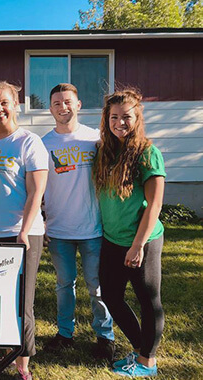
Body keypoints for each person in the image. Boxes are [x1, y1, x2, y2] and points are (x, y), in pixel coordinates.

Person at [0, 81, 48, 380]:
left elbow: (36, 192)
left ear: (16, 105)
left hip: (21, 234)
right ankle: (2, 348)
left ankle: (22, 364)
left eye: (4, 102)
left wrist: (24, 232)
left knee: (21, 302)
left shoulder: (29, 142)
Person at [93, 88, 165, 377]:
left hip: (142, 240)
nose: (119, 122)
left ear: (137, 118)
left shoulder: (148, 152)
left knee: (148, 300)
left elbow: (155, 204)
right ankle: (141, 348)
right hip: (112, 239)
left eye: (126, 117)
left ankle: (147, 362)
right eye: (114, 117)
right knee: (110, 295)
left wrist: (137, 246)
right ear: (106, 119)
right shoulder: (106, 151)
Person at [42, 83, 115, 360]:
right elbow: (36, 187)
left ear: (79, 104)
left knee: (97, 286)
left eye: (68, 102)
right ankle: (65, 334)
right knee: (64, 285)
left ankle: (105, 336)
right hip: (59, 229)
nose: (63, 107)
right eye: (57, 103)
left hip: (93, 228)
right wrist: (41, 220)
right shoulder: (43, 144)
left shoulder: (95, 140)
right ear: (50, 108)